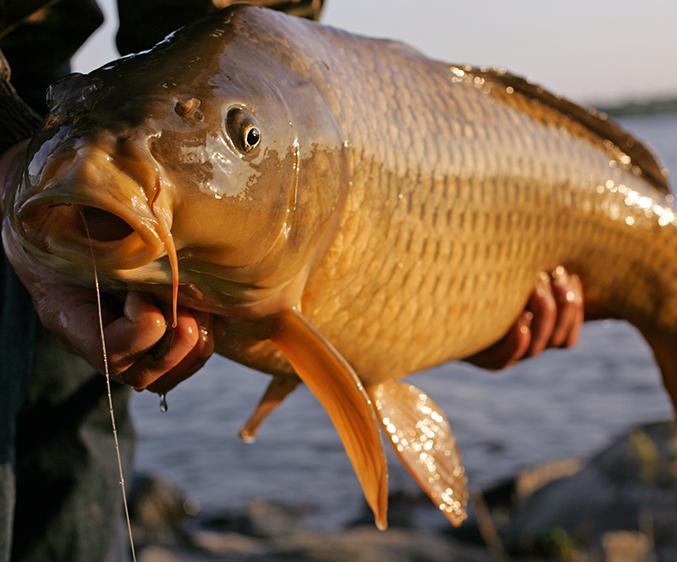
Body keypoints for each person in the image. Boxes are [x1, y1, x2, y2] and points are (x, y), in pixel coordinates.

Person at [0, 1, 584, 560]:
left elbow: (231, 47)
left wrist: (471, 320)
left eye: (244, 136)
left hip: (42, 89)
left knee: (67, 445)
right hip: (45, 120)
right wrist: (11, 150)